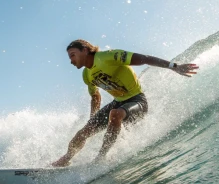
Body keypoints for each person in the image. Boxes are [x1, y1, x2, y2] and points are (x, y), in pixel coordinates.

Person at [51, 39, 198, 167]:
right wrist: (92, 121)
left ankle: (101, 158)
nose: (71, 60)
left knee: (115, 114)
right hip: (118, 103)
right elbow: (95, 97)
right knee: (83, 132)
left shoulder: (108, 56)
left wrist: (174, 66)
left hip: (137, 101)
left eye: (72, 55)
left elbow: (144, 58)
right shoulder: (86, 75)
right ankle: (66, 158)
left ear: (84, 50)